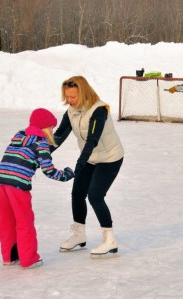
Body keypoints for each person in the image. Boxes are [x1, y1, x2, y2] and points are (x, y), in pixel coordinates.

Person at [52, 75, 124, 256]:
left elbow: (92, 140)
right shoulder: (71, 110)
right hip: (90, 157)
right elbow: (59, 136)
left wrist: (79, 164)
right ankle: (79, 235)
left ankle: (109, 240)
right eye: (67, 97)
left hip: (110, 158)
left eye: (73, 97)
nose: (69, 101)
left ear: (83, 93)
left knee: (95, 196)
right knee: (77, 194)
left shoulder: (99, 110)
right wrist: (38, 155)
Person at [0, 108, 75, 269]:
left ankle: (9, 257)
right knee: (24, 221)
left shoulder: (20, 136)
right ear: (44, 127)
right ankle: (28, 259)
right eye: (51, 127)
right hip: (18, 185)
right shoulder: (41, 143)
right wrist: (67, 174)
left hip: (0, 181)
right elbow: (49, 171)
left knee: (6, 221)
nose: (53, 130)